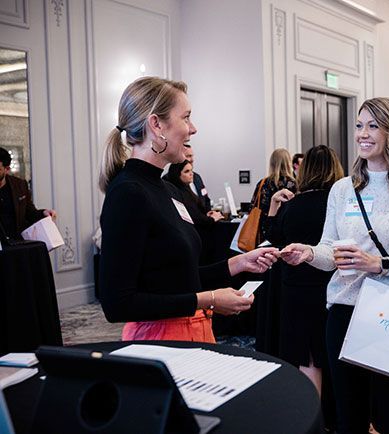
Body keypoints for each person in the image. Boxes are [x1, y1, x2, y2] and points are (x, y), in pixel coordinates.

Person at [281, 97, 389, 434]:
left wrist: (378, 264)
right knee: (349, 417)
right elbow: (330, 250)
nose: (362, 134)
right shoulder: (342, 189)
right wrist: (309, 254)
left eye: (372, 126)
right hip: (344, 312)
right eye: (358, 125)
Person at [98, 76, 279, 344]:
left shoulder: (166, 189)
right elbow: (118, 304)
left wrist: (238, 263)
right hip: (159, 341)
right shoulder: (128, 192)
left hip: (192, 332)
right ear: (156, 124)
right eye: (186, 118)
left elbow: (180, 278)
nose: (192, 129)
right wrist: (211, 299)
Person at [266, 145, 343, 389]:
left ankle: (314, 415)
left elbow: (275, 239)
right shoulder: (340, 205)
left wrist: (273, 208)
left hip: (297, 287)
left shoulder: (292, 205)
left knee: (306, 355)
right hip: (332, 285)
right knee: (334, 350)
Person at [163, 160, 223, 265]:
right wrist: (211, 219)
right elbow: (191, 216)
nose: (191, 174)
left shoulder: (187, 189)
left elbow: (197, 209)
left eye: (191, 170)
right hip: (189, 238)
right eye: (186, 171)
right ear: (177, 174)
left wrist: (206, 215)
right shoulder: (176, 191)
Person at [0, 146, 57, 240]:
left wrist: (44, 213)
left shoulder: (20, 185)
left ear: (7, 169)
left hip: (16, 243)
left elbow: (30, 213)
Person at [250, 148, 296, 241]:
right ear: (288, 163)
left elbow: (253, 206)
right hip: (285, 228)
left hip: (263, 229)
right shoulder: (294, 184)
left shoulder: (263, 183)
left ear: (272, 164)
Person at [183, 143, 211, 210]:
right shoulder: (169, 180)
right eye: (188, 156)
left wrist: (209, 214)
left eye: (192, 156)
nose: (192, 160)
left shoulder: (197, 177)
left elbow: (206, 199)